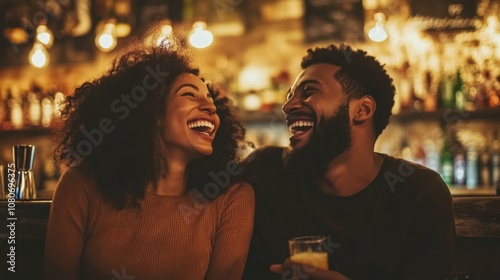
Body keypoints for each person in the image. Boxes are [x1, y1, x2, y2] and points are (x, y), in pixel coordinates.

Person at [42, 38, 254, 280]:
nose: (211, 107)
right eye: (189, 95)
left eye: (210, 99)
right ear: (151, 113)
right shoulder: (81, 187)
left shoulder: (231, 198)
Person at [240, 44, 455, 280]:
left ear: (362, 110)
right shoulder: (267, 170)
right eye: (290, 96)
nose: (287, 106)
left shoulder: (418, 192)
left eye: (309, 91)